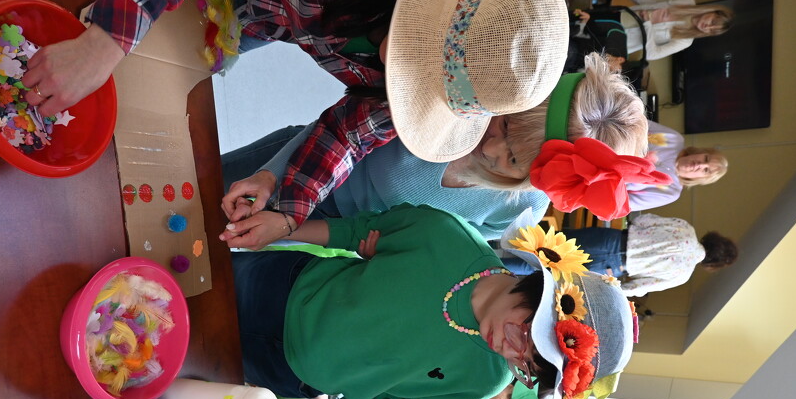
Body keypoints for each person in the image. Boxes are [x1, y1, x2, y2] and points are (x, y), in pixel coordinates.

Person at [23, 0, 569, 242]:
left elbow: (351, 134)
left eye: (420, 73)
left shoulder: (445, 91)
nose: (391, 60)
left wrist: (286, 204)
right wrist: (104, 42)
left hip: (248, 6)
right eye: (413, 43)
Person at [232, 202, 637, 399]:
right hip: (277, 288)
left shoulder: (483, 380)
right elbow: (355, 230)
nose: (511, 350)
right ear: (540, 291)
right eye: (528, 334)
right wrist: (282, 228)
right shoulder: (447, 237)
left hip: (287, 373)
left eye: (528, 365)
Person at [220, 53, 662, 248]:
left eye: (513, 160)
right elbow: (344, 132)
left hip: (324, 228)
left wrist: (371, 246)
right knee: (202, 187)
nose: (492, 147)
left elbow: (414, 238)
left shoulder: (519, 209)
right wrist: (272, 176)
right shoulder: (456, 97)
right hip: (301, 159)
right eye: (505, 125)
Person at [500, 214, 739, 297]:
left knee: (545, 242)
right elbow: (639, 287)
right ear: (713, 263)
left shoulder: (685, 228)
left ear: (713, 238)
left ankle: (495, 236)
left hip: (611, 239)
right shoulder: (682, 275)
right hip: (613, 266)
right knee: (544, 267)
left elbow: (644, 220)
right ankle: (493, 266)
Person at [580, 0, 733, 61]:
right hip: (619, 16)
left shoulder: (685, 41)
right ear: (712, 11)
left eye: (711, 31)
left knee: (578, 44)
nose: (707, 27)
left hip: (617, 40)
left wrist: (647, 24)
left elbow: (652, 54)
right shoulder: (687, 3)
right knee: (577, 20)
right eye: (712, 22)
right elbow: (652, 5)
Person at [627, 121, 729, 211]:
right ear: (702, 152)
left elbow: (624, 204)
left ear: (702, 178)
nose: (701, 164)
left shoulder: (671, 192)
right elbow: (635, 120)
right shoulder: (674, 139)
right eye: (706, 158)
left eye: (706, 170)